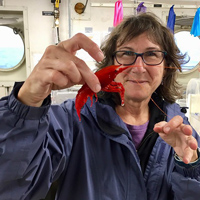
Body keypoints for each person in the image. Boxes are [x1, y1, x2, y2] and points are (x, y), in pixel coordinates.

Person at [0, 12, 200, 200]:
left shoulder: (181, 128)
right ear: (110, 62)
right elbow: (11, 186)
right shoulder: (70, 120)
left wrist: (188, 166)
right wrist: (26, 106)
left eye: (152, 54)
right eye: (127, 53)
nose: (139, 67)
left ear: (166, 66)